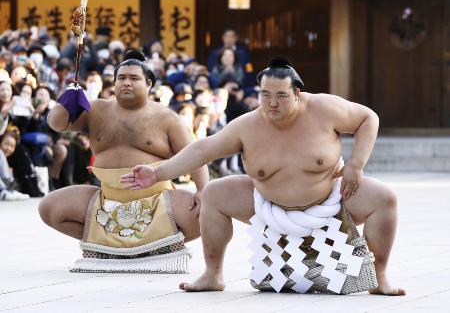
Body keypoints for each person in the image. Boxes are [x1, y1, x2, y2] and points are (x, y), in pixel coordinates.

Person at [120, 56, 405, 296]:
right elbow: (203, 149)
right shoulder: (247, 125)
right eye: (265, 95)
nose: (272, 103)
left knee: (384, 198)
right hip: (267, 204)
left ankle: (379, 278)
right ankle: (213, 274)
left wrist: (356, 164)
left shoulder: (325, 109)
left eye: (281, 95)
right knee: (215, 193)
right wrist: (157, 173)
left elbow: (369, 118)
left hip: (331, 199)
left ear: (297, 93)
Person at [39, 50, 209, 272]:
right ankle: (106, 245)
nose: (126, 83)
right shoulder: (96, 109)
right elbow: (56, 124)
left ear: (148, 84)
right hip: (107, 198)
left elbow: (194, 154)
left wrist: (202, 189)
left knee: (206, 215)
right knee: (49, 208)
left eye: (134, 78)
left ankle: (154, 246)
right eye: (121, 78)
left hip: (155, 200)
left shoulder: (167, 118)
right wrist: (66, 101)